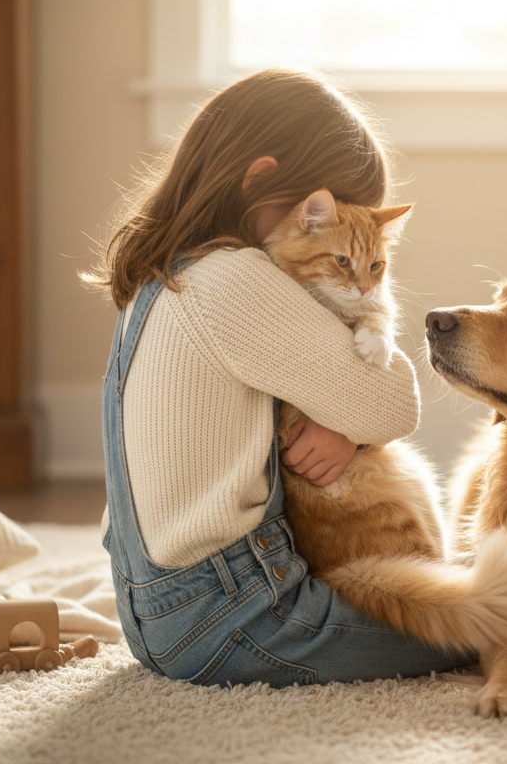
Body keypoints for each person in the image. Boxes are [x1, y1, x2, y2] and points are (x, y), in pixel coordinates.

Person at [83, 68, 470, 687]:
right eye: (326, 209)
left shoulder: (164, 278)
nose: (338, 222)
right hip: (236, 613)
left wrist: (346, 426)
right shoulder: (236, 277)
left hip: (152, 609)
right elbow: (394, 407)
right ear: (262, 180)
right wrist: (357, 426)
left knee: (460, 589)